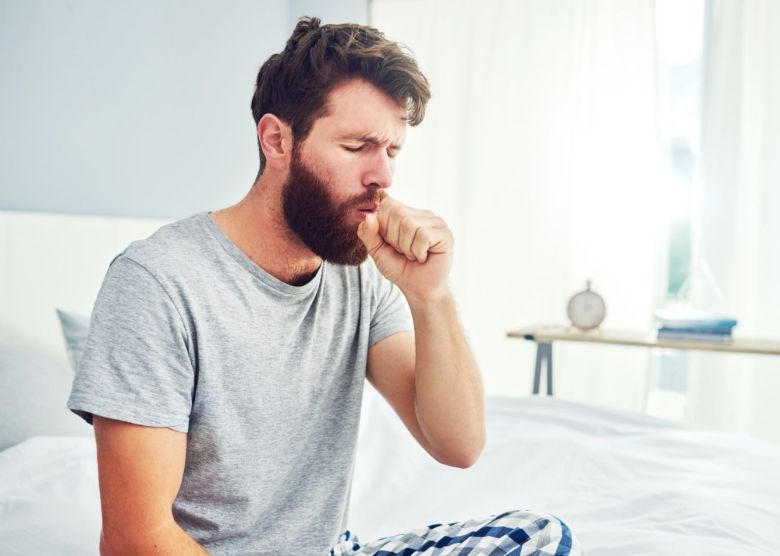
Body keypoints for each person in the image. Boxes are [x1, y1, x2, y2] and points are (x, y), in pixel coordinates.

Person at [68, 16, 583, 555]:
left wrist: (431, 296)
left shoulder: (358, 275)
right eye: (359, 146)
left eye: (392, 151)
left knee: (536, 534)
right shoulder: (159, 283)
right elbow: (135, 539)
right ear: (277, 140)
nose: (383, 177)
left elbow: (459, 444)